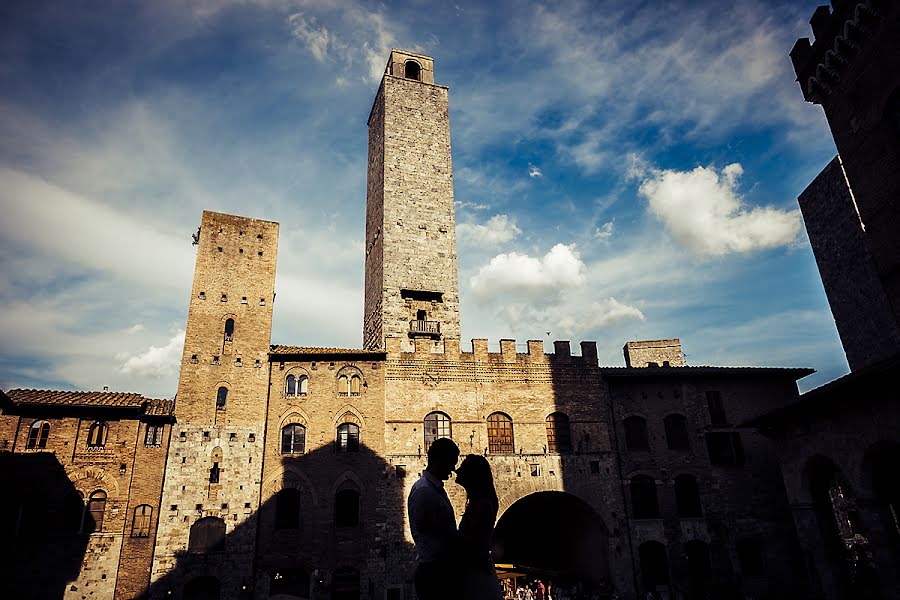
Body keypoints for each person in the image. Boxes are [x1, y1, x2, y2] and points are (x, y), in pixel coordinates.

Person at [408, 437, 461, 600]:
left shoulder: (432, 488)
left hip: (437, 570)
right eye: (451, 462)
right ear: (440, 459)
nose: (453, 469)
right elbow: (430, 529)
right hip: (435, 572)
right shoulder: (425, 491)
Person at [454, 454, 504, 600]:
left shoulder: (482, 505)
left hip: (477, 576)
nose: (457, 471)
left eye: (462, 468)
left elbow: (472, 544)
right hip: (476, 574)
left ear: (473, 475)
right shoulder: (478, 503)